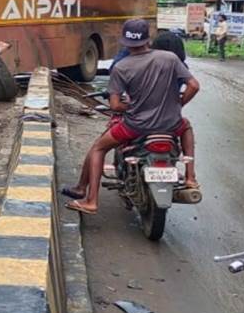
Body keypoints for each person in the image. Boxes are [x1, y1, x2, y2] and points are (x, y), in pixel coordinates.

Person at [62, 19, 200, 214]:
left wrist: (131, 105)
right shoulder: (169, 58)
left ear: (125, 42)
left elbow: (115, 105)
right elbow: (194, 86)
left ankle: (91, 200)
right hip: (171, 124)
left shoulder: (121, 66)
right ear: (148, 39)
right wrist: (177, 105)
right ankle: (191, 177)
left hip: (136, 126)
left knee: (98, 148)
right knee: (186, 128)